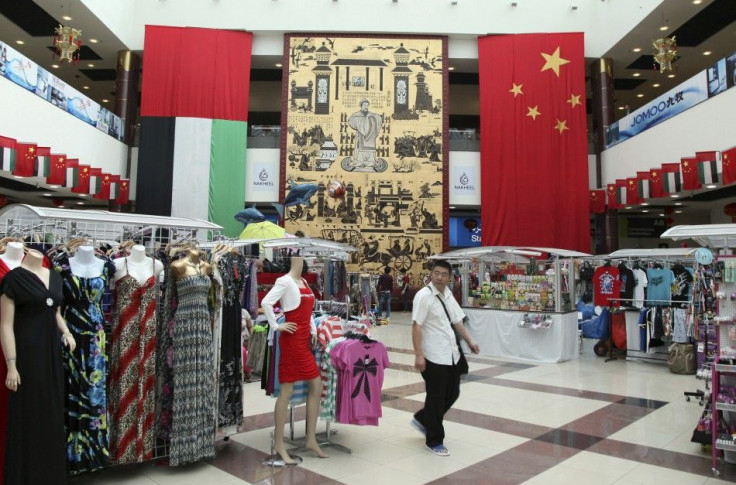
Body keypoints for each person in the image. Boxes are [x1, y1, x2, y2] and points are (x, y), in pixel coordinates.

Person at [0, 249, 76, 484]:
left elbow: (55, 312)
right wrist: (11, 364)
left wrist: (66, 332)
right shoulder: (12, 279)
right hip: (27, 356)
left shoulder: (54, 276)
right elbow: (5, 326)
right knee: (28, 414)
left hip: (51, 353)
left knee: (50, 413)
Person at [261, 256, 327, 464]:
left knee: (316, 385)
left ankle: (310, 438)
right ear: (292, 261)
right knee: (287, 390)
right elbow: (266, 302)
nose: (301, 261)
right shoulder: (285, 281)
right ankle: (279, 443)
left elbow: (307, 313)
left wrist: (314, 329)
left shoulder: (304, 282)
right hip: (291, 341)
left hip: (304, 341)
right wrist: (275, 326)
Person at [411, 259, 479, 457]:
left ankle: (424, 419)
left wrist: (470, 341)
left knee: (453, 393)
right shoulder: (423, 296)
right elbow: (416, 326)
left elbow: (458, 322)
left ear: (449, 277)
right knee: (436, 398)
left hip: (451, 354)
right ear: (431, 274)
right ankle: (434, 440)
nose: (440, 277)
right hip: (433, 356)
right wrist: (418, 354)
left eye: (444, 274)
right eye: (437, 273)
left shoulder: (448, 295)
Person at [348, 99, 382, 168]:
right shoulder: (357, 115)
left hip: (370, 138)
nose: (366, 106)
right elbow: (351, 121)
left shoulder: (371, 115)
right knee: (360, 149)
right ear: (361, 106)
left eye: (367, 105)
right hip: (360, 136)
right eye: (364, 105)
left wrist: (375, 118)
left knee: (370, 150)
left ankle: (371, 162)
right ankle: (360, 162)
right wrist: (361, 122)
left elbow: (378, 118)